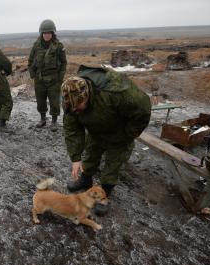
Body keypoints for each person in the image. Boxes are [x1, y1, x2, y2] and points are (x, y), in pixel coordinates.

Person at [61, 65, 151, 215]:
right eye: (73, 107)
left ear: (87, 95)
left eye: (79, 106)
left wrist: (128, 134)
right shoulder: (70, 101)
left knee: (113, 163)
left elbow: (142, 111)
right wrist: (75, 157)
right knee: (91, 153)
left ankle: (104, 193)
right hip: (97, 129)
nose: (75, 110)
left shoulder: (116, 90)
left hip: (120, 131)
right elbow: (72, 129)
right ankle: (86, 179)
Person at [28, 19, 67, 132]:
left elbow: (64, 63)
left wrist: (60, 78)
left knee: (54, 101)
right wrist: (33, 75)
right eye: (45, 33)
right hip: (39, 79)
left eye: (49, 33)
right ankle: (43, 119)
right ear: (41, 33)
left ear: (53, 33)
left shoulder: (59, 46)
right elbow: (30, 61)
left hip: (54, 79)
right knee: (40, 100)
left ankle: (54, 121)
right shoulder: (36, 46)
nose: (47, 35)